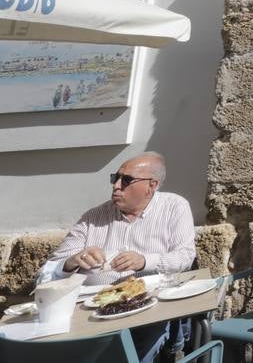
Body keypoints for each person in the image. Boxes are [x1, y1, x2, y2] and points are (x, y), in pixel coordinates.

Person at [47, 152, 196, 363]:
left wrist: (144, 261)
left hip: (148, 307)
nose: (116, 186)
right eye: (114, 178)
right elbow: (50, 268)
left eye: (126, 180)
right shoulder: (93, 218)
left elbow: (185, 256)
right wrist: (71, 262)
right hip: (92, 310)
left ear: (151, 186)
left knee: (144, 339)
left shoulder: (174, 207)